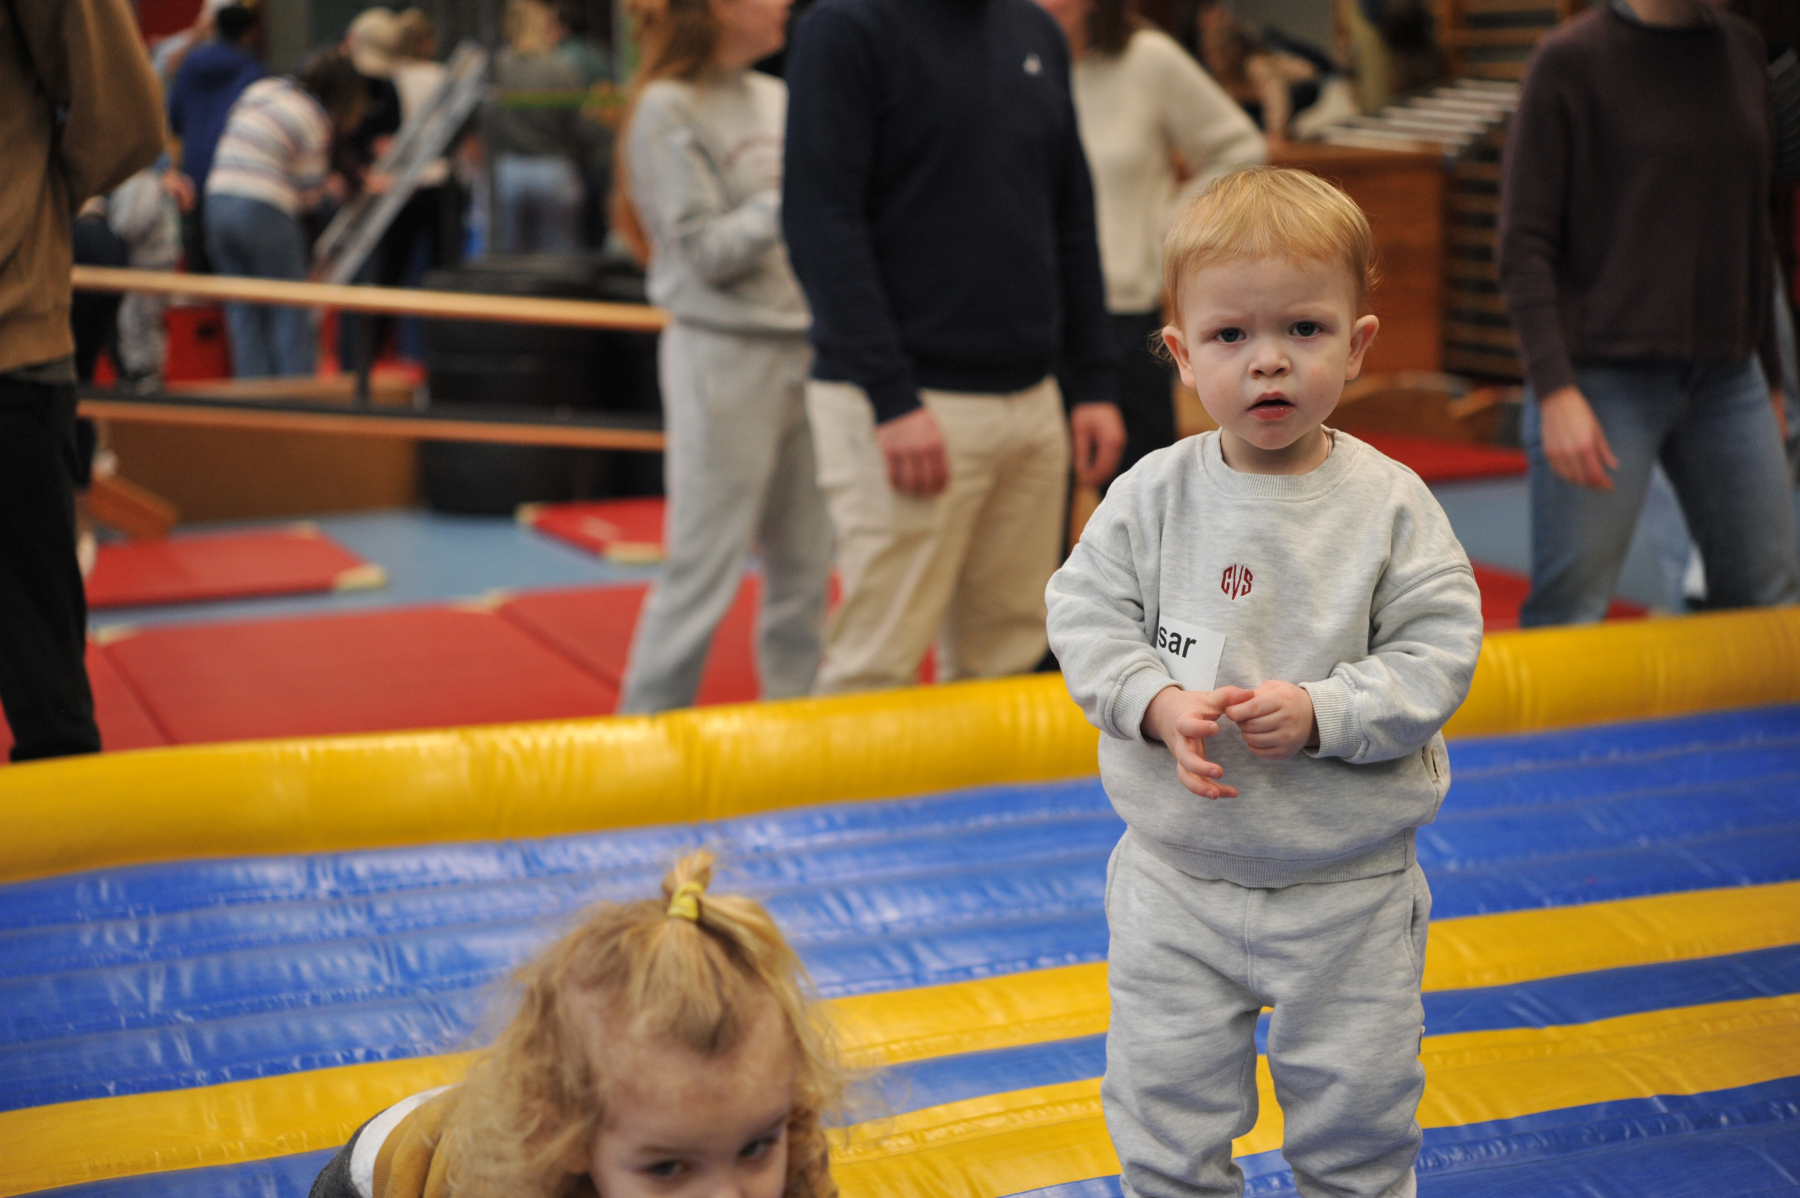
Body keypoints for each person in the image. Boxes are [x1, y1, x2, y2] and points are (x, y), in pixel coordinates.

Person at [1046, 168, 1483, 1197]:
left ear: (1358, 345)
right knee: (1164, 1116)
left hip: (1347, 889)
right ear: (1182, 353)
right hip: (1175, 880)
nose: (1269, 359)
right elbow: (1083, 611)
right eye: (1232, 335)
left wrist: (1329, 711)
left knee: (1358, 1120)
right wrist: (1153, 701)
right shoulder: (1153, 495)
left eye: (1304, 329)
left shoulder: (1389, 505)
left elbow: (1439, 648)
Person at [782, 0, 1128, 695]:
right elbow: (821, 222)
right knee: (876, 662)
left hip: (1032, 398)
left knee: (1008, 653)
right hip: (906, 403)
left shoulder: (1033, 30)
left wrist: (1093, 381)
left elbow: (1070, 217)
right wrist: (891, 398)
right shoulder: (845, 29)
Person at [1497, 0, 1800, 626]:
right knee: (1572, 608)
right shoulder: (1570, 60)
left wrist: (1771, 376)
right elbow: (1524, 244)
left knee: (1766, 598)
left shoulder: (1742, 48)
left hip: (1729, 377)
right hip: (1602, 378)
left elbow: (1752, 228)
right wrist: (1554, 391)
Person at [306, 851, 842, 1198]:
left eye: (755, 1149)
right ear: (569, 1139)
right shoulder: (501, 1187)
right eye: (667, 1169)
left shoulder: (784, 1148)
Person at [614, 0, 832, 712]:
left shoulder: (777, 96)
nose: (783, 6)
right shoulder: (667, 108)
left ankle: (794, 730)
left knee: (807, 569)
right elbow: (704, 251)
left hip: (806, 349)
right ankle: (643, 734)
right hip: (723, 355)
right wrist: (795, 196)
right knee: (702, 568)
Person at [0, 0, 163, 762]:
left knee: (47, 696)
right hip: (15, 341)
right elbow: (124, 119)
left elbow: (124, 117)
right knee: (46, 692)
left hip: (13, 349)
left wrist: (34, 203)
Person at [1035, 0, 1265, 481]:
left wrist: (1167, 228)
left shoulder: (1148, 59)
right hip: (1026, 322)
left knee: (1145, 505)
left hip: (1122, 318)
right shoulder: (1003, 60)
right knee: (1036, 514)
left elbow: (1240, 149)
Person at [205, 53, 367, 378]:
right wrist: (330, 188)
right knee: (290, 310)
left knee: (243, 309)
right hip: (264, 207)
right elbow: (309, 199)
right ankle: (296, 399)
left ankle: (253, 397)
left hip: (216, 199)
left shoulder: (265, 88)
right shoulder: (314, 117)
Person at [166, 1, 264, 274]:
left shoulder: (190, 64)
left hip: (194, 172)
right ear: (248, 33)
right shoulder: (253, 71)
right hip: (236, 175)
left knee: (198, 263)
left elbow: (174, 117)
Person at [490, 0, 588, 252]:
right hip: (553, 168)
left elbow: (488, 120)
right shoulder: (561, 67)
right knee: (559, 258)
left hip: (510, 169)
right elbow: (578, 123)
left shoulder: (498, 67)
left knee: (509, 259)